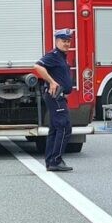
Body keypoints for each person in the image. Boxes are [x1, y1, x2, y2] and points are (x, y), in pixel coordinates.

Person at [33, 29, 75, 172]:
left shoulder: (62, 57)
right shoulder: (54, 55)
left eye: (68, 41)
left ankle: (51, 161)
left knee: (55, 129)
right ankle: (56, 160)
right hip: (55, 96)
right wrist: (51, 82)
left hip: (59, 96)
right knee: (64, 127)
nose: (66, 44)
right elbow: (37, 66)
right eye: (64, 41)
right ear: (57, 41)